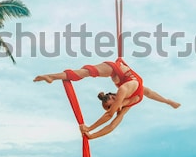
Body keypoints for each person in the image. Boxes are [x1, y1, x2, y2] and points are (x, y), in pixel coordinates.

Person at [34, 58, 180, 140]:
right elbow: (110, 118)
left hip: (118, 73)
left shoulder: (129, 99)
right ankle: (52, 76)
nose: (114, 107)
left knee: (85, 72)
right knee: (85, 72)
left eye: (110, 105)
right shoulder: (125, 91)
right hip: (116, 70)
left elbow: (112, 124)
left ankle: (52, 76)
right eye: (112, 105)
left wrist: (169, 101)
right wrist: (90, 130)